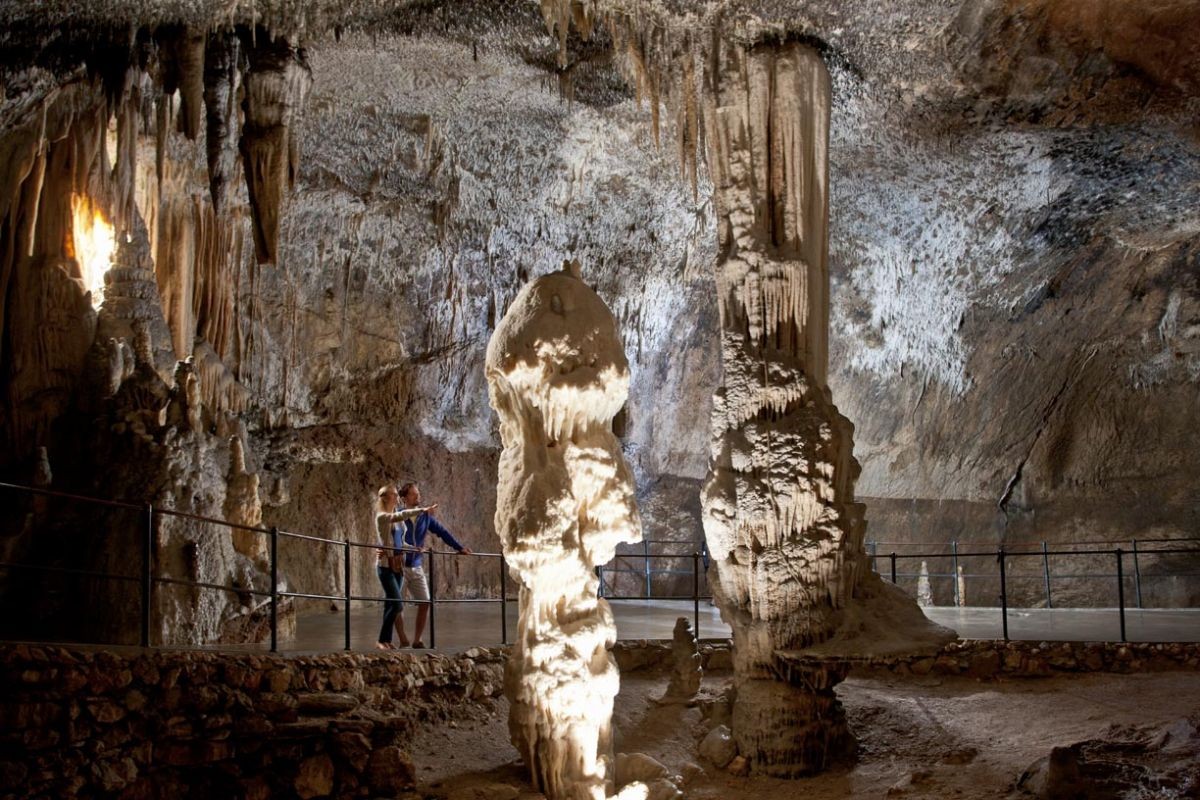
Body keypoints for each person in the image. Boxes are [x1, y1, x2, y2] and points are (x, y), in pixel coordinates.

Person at [394, 481, 471, 648]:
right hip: (398, 567)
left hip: (416, 565)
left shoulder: (425, 517)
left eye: (418, 494)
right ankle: (402, 638)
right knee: (396, 604)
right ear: (405, 498)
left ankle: (417, 639)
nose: (418, 497)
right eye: (414, 494)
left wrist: (459, 547)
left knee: (425, 602)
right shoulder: (399, 514)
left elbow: (443, 532)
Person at [374, 485, 436, 650]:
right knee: (397, 604)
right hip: (386, 565)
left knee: (391, 604)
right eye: (393, 494)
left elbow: (400, 542)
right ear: (385, 498)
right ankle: (383, 640)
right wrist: (423, 510)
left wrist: (413, 548)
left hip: (398, 566)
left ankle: (385, 640)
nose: (396, 497)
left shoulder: (397, 520)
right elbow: (402, 514)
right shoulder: (382, 517)